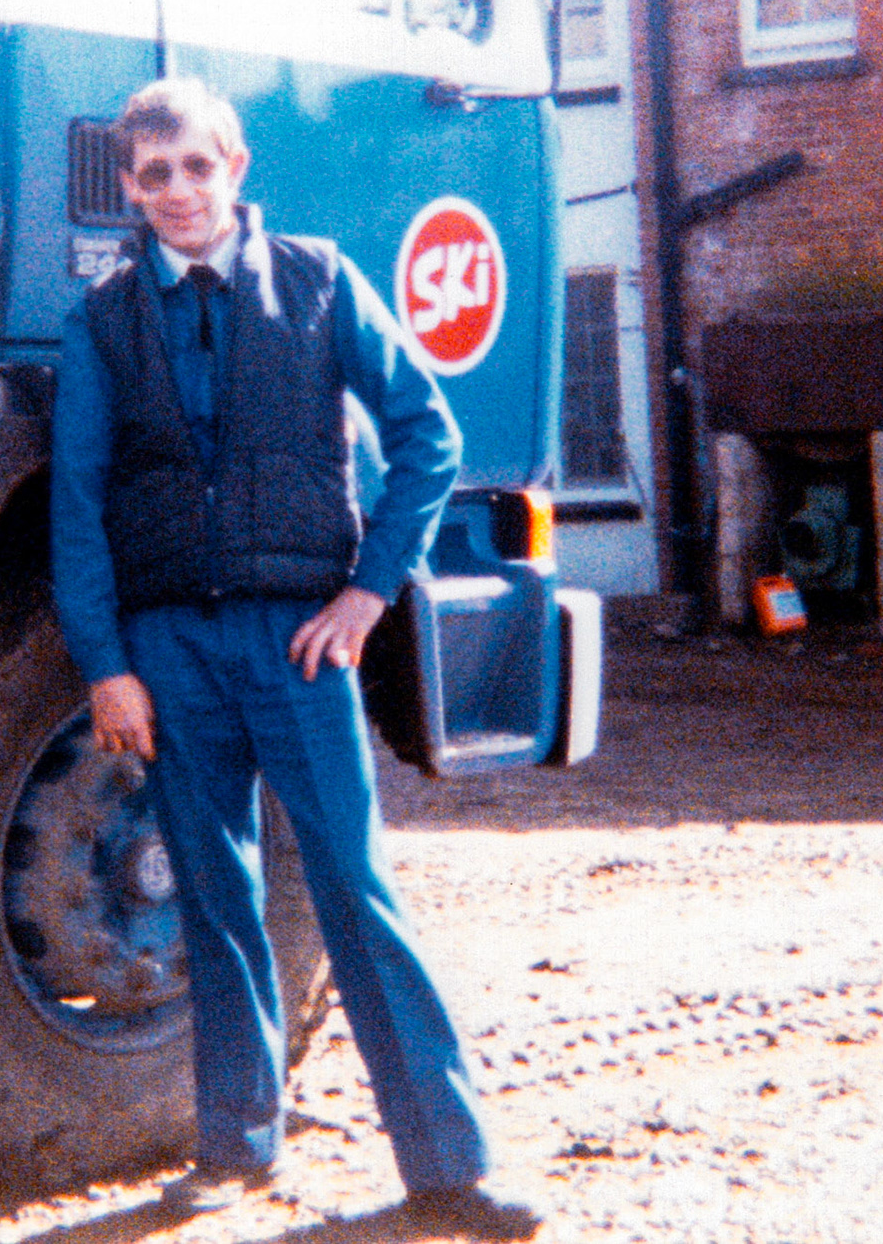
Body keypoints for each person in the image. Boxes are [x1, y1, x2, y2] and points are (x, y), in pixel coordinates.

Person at [50, 77, 541, 1240]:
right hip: (170, 648)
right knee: (213, 894)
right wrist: (107, 663)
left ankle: (450, 1164)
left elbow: (429, 435)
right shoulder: (104, 322)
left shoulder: (320, 282)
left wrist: (370, 594)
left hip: (301, 643)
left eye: (196, 169)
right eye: (153, 175)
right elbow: (75, 503)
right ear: (128, 185)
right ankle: (234, 1149)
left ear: (236, 169)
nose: (176, 193)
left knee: (351, 887)